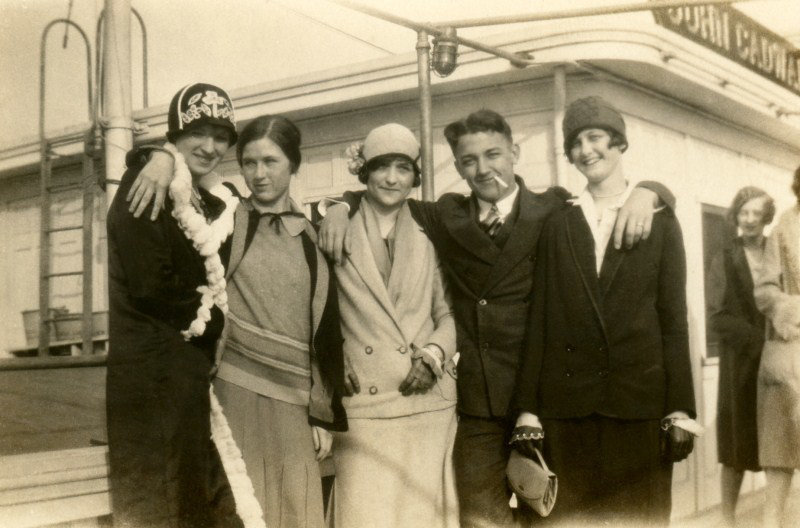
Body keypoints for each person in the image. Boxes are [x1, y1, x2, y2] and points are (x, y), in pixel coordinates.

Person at [319, 109, 675, 527]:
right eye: (469, 161)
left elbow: (608, 192)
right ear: (458, 168)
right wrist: (340, 206)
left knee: (549, 512)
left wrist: (650, 191)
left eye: (493, 155)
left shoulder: (556, 207)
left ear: (515, 153)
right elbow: (383, 192)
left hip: (546, 397)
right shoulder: (446, 214)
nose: (483, 169)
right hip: (479, 403)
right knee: (477, 515)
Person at [124, 114, 348, 528]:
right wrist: (155, 156)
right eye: (249, 162)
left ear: (294, 164)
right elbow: (180, 176)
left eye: (271, 161)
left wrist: (322, 412)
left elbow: (324, 328)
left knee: (297, 513)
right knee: (240, 510)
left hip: (297, 402)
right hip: (232, 388)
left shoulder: (316, 230)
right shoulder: (224, 215)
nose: (259, 174)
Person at [513, 96, 698, 526]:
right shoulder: (558, 222)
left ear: (618, 144)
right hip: (566, 412)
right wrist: (527, 408)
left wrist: (681, 410)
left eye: (594, 137)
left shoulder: (659, 219)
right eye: (574, 142)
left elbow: (674, 320)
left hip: (639, 409)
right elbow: (540, 319)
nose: (585, 150)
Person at [106, 82, 246, 528]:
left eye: (221, 136)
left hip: (184, 380)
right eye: (198, 132)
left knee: (200, 506)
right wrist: (217, 320)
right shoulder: (146, 180)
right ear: (176, 134)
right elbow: (150, 284)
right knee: (162, 509)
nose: (210, 146)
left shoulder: (202, 197)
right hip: (150, 383)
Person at [330, 123, 458, 527]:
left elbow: (449, 313)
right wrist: (332, 356)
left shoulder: (431, 227)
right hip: (362, 407)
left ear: (415, 176)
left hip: (426, 404)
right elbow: (317, 308)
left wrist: (434, 355)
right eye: (381, 166)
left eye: (402, 168)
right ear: (364, 171)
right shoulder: (333, 225)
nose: (391, 178)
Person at [708, 186, 774, 526]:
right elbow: (717, 317)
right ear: (736, 216)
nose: (750, 220)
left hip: (780, 361)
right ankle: (727, 519)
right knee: (736, 446)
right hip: (742, 364)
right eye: (744, 213)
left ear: (766, 217)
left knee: (780, 441)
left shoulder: (778, 252)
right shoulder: (725, 257)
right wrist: (759, 339)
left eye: (757, 213)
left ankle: (775, 515)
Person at [753, 166, 800, 528]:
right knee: (779, 474)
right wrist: (791, 308)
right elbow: (764, 291)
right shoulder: (783, 232)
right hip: (790, 361)